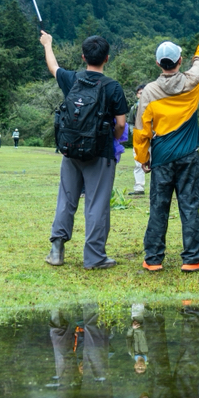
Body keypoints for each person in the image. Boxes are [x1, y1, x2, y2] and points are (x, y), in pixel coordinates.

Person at [133, 22, 199, 272]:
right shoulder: (193, 81)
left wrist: (143, 158)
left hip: (160, 158)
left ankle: (153, 259)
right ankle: (192, 259)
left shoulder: (148, 92)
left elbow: (141, 131)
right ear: (180, 60)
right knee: (189, 206)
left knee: (158, 208)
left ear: (159, 64)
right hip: (189, 156)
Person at [40, 31, 128, 270]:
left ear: (83, 57)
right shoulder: (113, 87)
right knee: (97, 203)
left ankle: (56, 251)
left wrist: (48, 44)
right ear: (107, 58)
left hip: (70, 150)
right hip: (100, 153)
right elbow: (120, 123)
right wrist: (115, 139)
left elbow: (53, 67)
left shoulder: (72, 80)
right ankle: (94, 257)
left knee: (66, 199)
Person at [128, 84, 148, 195]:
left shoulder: (154, 106)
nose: (143, 94)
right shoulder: (134, 108)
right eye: (140, 93)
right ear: (137, 95)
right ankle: (139, 187)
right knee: (138, 162)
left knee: (156, 163)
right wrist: (134, 133)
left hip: (153, 139)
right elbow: (130, 123)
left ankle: (158, 186)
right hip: (139, 139)